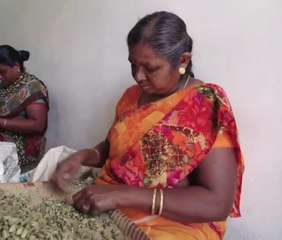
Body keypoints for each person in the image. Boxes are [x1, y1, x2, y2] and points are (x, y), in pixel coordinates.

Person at [51, 11, 244, 240]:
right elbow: (114, 148)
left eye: (150, 68)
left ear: (182, 60)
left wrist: (123, 195)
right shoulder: (131, 96)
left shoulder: (204, 106)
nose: (138, 77)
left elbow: (217, 203)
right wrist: (83, 156)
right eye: (133, 65)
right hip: (110, 202)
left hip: (171, 225)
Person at [0, 45, 49, 167]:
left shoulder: (32, 87)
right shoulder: (4, 85)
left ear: (16, 66)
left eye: (2, 72)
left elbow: (38, 125)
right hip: (0, 132)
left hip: (22, 143)